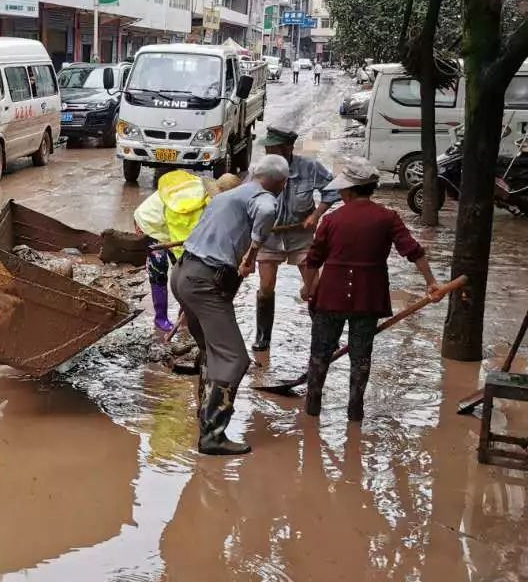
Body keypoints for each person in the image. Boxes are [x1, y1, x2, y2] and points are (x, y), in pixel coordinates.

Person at [304, 156, 442, 422]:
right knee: (361, 356)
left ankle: (312, 409)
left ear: (348, 190)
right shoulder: (388, 217)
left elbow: (313, 259)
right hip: (368, 297)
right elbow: (413, 251)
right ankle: (355, 411)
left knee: (320, 353)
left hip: (330, 296)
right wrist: (430, 282)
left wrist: (309, 288)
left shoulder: (332, 220)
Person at [170, 154, 290, 456]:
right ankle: (212, 435)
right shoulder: (264, 198)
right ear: (281, 183)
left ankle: (204, 415)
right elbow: (266, 209)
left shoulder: (227, 196)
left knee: (212, 352)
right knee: (235, 358)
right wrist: (253, 251)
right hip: (205, 283)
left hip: (183, 275)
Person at [252, 126, 333, 353]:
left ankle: (321, 335)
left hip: (300, 235)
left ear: (288, 148)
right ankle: (263, 336)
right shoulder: (260, 169)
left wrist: (316, 215)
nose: (268, 151)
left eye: (273, 148)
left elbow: (333, 190)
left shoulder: (310, 167)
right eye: (267, 148)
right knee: (266, 286)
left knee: (314, 287)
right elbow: (247, 200)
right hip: (269, 236)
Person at [134, 170, 240, 333]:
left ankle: (184, 314)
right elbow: (183, 246)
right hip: (151, 224)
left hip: (171, 223)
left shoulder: (207, 198)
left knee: (184, 272)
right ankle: (160, 318)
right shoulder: (189, 205)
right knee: (160, 269)